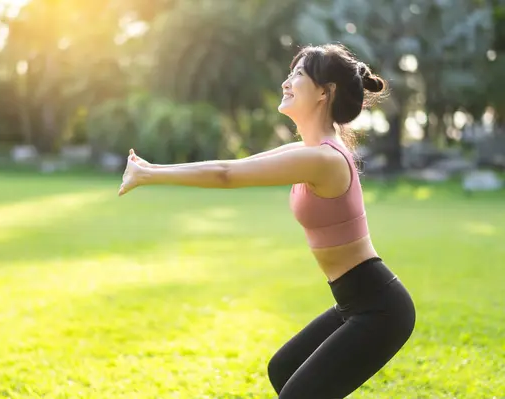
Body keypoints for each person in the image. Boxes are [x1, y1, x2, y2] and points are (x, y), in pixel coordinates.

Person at [117, 43, 416, 399]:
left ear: (325, 92)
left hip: (379, 306)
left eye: (298, 74)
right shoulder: (309, 152)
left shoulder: (324, 159)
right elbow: (233, 168)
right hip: (353, 301)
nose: (286, 82)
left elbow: (227, 175)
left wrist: (149, 177)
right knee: (283, 369)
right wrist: (151, 169)